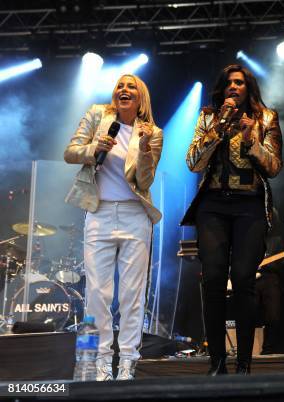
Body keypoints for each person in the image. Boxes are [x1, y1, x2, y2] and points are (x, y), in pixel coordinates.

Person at [180, 64, 282, 375]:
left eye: (239, 83)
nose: (233, 87)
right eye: (228, 83)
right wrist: (217, 131)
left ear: (248, 87)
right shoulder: (209, 117)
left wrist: (252, 141)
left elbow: (275, 166)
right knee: (212, 281)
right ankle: (217, 362)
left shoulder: (266, 117)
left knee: (242, 281)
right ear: (222, 89)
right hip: (212, 206)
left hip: (249, 206)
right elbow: (193, 164)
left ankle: (245, 363)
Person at [64, 74, 163, 380]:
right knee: (97, 293)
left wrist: (145, 149)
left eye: (131, 87)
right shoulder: (98, 115)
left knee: (133, 295)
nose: (124, 90)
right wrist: (94, 148)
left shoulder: (153, 132)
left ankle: (129, 363)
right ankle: (100, 363)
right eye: (120, 86)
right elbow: (70, 152)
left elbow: (145, 181)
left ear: (140, 97)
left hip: (135, 216)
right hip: (100, 212)